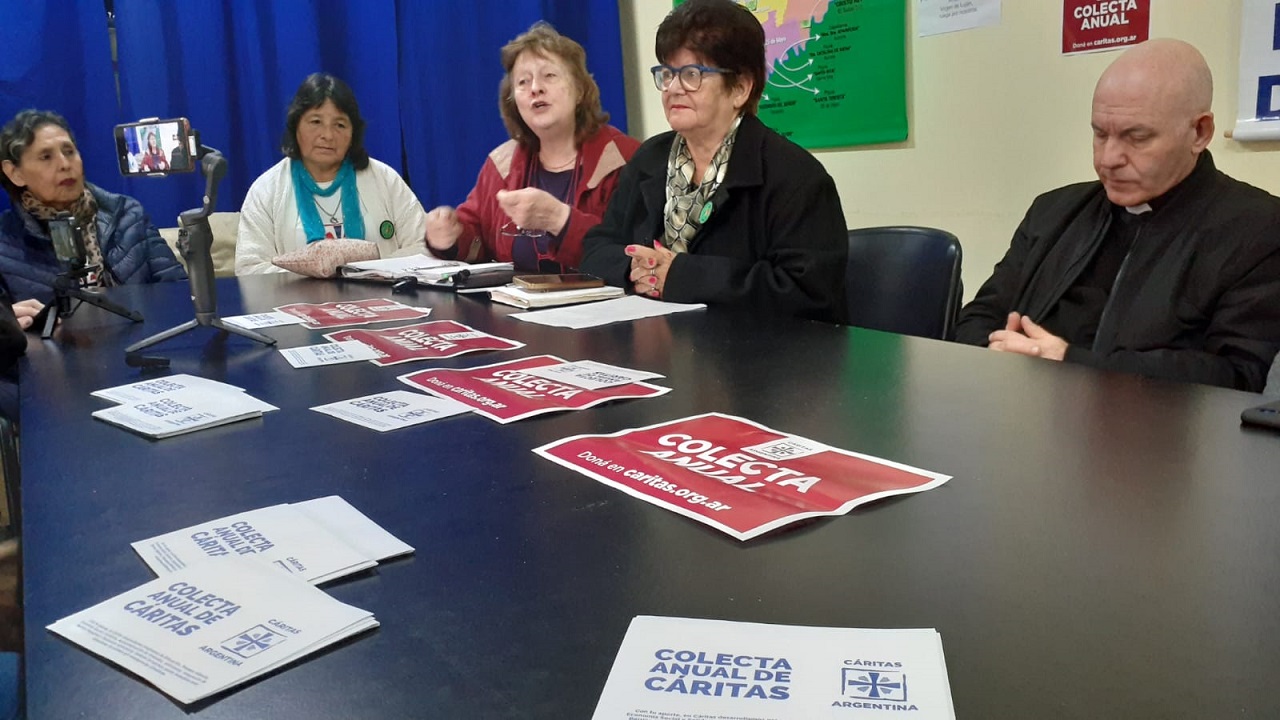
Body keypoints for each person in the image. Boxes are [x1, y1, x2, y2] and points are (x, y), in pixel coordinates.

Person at [953, 39, 1280, 392]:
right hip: (1017, 404)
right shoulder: (1052, 211)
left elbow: (1240, 375)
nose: (1108, 159)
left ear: (1199, 132)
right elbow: (977, 320)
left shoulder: (1258, 228)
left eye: (1136, 137)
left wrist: (1069, 364)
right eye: (1100, 134)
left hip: (1150, 422)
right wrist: (1000, 352)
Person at [578, 0, 847, 323]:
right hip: (660, 338)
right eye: (667, 74)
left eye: (692, 74)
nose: (673, 89)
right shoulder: (649, 159)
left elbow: (807, 293)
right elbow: (596, 248)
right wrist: (635, 268)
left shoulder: (795, 176)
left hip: (756, 348)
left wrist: (681, 275)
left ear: (740, 88)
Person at [425, 22, 639, 272]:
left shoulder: (624, 159)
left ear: (580, 90)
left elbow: (630, 253)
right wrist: (450, 237)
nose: (535, 88)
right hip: (517, 298)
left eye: (549, 76)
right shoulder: (502, 163)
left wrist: (560, 220)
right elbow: (476, 237)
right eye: (523, 82)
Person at [236, 73, 427, 275]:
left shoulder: (385, 180)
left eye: (340, 125)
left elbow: (424, 247)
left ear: (353, 133)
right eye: (316, 122)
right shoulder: (266, 189)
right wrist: (312, 275)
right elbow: (249, 269)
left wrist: (371, 266)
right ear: (296, 126)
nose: (327, 135)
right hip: (297, 296)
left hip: (383, 292)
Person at [0, 109, 187, 304]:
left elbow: (178, 290)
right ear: (14, 173)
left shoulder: (127, 215)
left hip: (143, 323)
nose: (65, 164)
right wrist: (9, 319)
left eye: (69, 152)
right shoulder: (5, 244)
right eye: (46, 157)